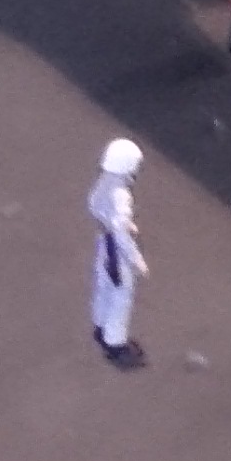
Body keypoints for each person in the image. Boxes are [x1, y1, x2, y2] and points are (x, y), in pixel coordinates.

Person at [88, 139, 148, 366]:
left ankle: (100, 325)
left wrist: (111, 222)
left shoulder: (103, 181)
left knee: (104, 285)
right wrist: (136, 259)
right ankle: (114, 343)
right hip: (116, 250)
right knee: (121, 293)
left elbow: (94, 205)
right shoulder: (122, 194)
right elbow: (121, 232)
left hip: (103, 242)